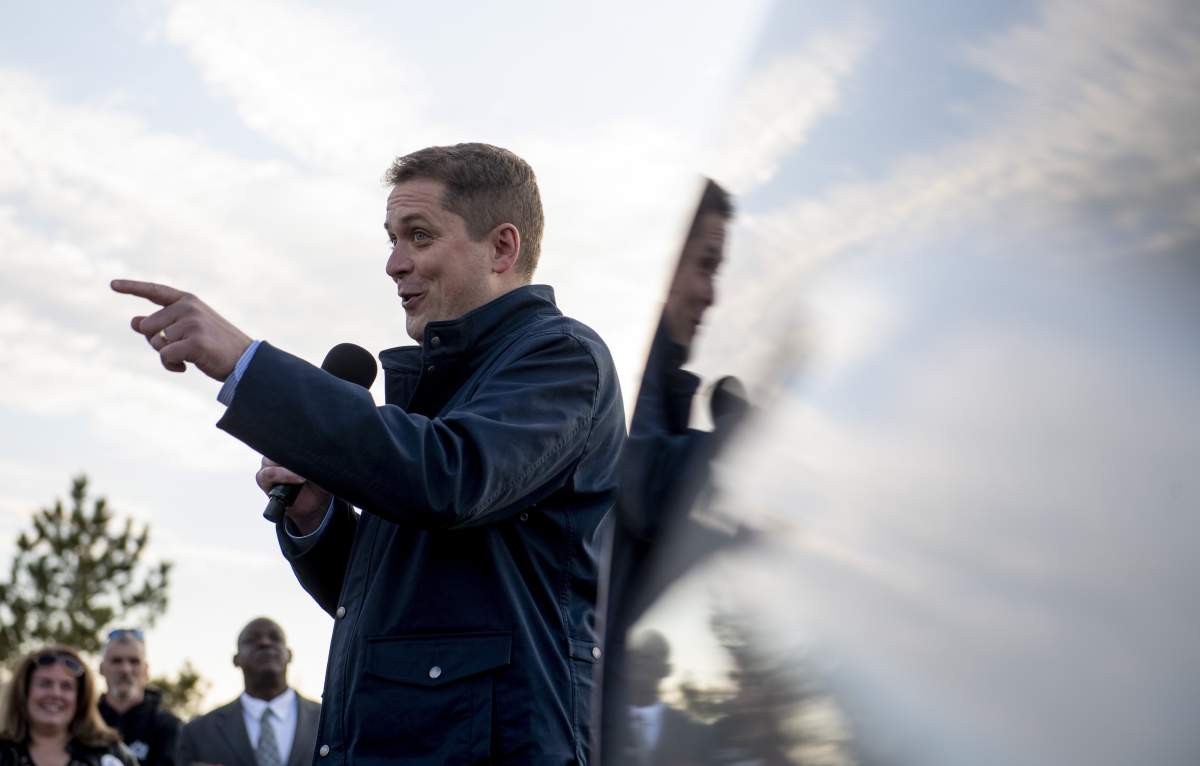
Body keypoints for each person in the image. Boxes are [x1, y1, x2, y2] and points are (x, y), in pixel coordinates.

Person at [111, 143, 625, 764]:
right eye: (391, 239)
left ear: (502, 248)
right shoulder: (433, 395)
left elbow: (448, 478)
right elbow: (375, 603)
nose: (394, 263)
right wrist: (316, 516)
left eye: (418, 236)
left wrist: (248, 365)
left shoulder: (560, 359)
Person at [176, 618, 319, 766]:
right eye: (251, 639)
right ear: (236, 660)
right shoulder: (197, 732)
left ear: (289, 654)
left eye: (275, 638)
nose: (265, 643)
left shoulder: (331, 721)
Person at [0, 645, 137, 766]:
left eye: (66, 686)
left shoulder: (113, 755)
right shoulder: (4, 755)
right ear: (24, 691)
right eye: (45, 684)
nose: (55, 694)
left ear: (81, 697)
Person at [97, 629, 181, 766]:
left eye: (134, 662)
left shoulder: (170, 728)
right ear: (101, 668)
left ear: (146, 670)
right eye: (116, 661)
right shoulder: (82, 722)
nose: (125, 669)